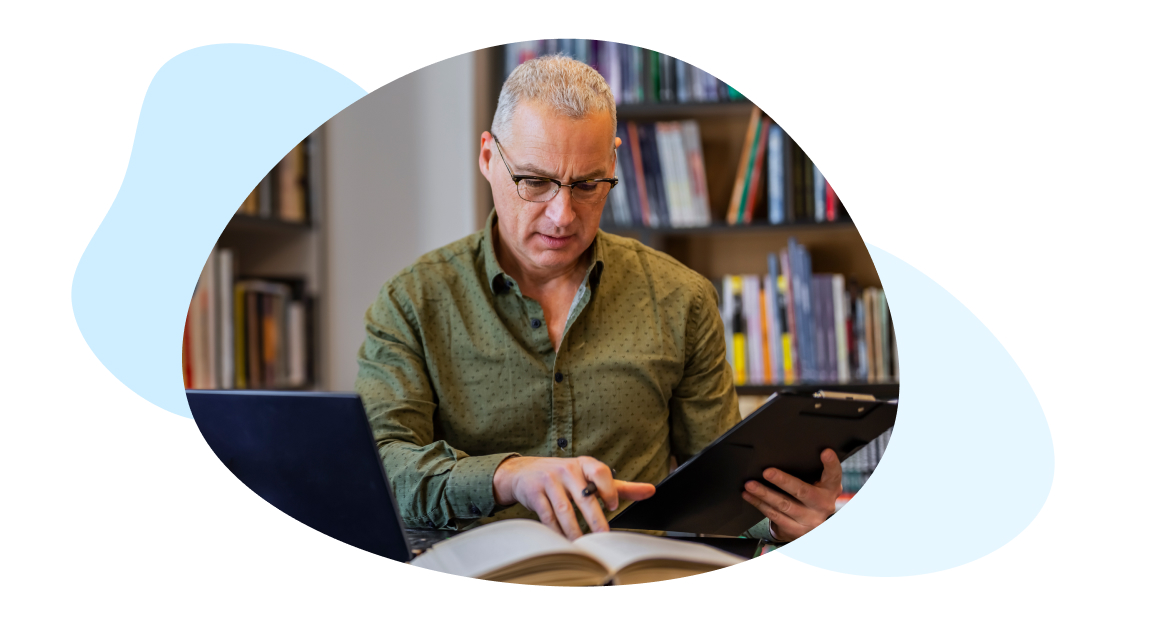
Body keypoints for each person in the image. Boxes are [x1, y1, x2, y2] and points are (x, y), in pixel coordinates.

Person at [356, 55, 840, 544]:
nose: (562, 216)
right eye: (535, 182)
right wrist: (508, 475)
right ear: (488, 158)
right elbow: (382, 468)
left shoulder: (682, 299)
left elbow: (722, 485)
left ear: (612, 162)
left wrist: (785, 520)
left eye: (587, 184)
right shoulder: (412, 302)